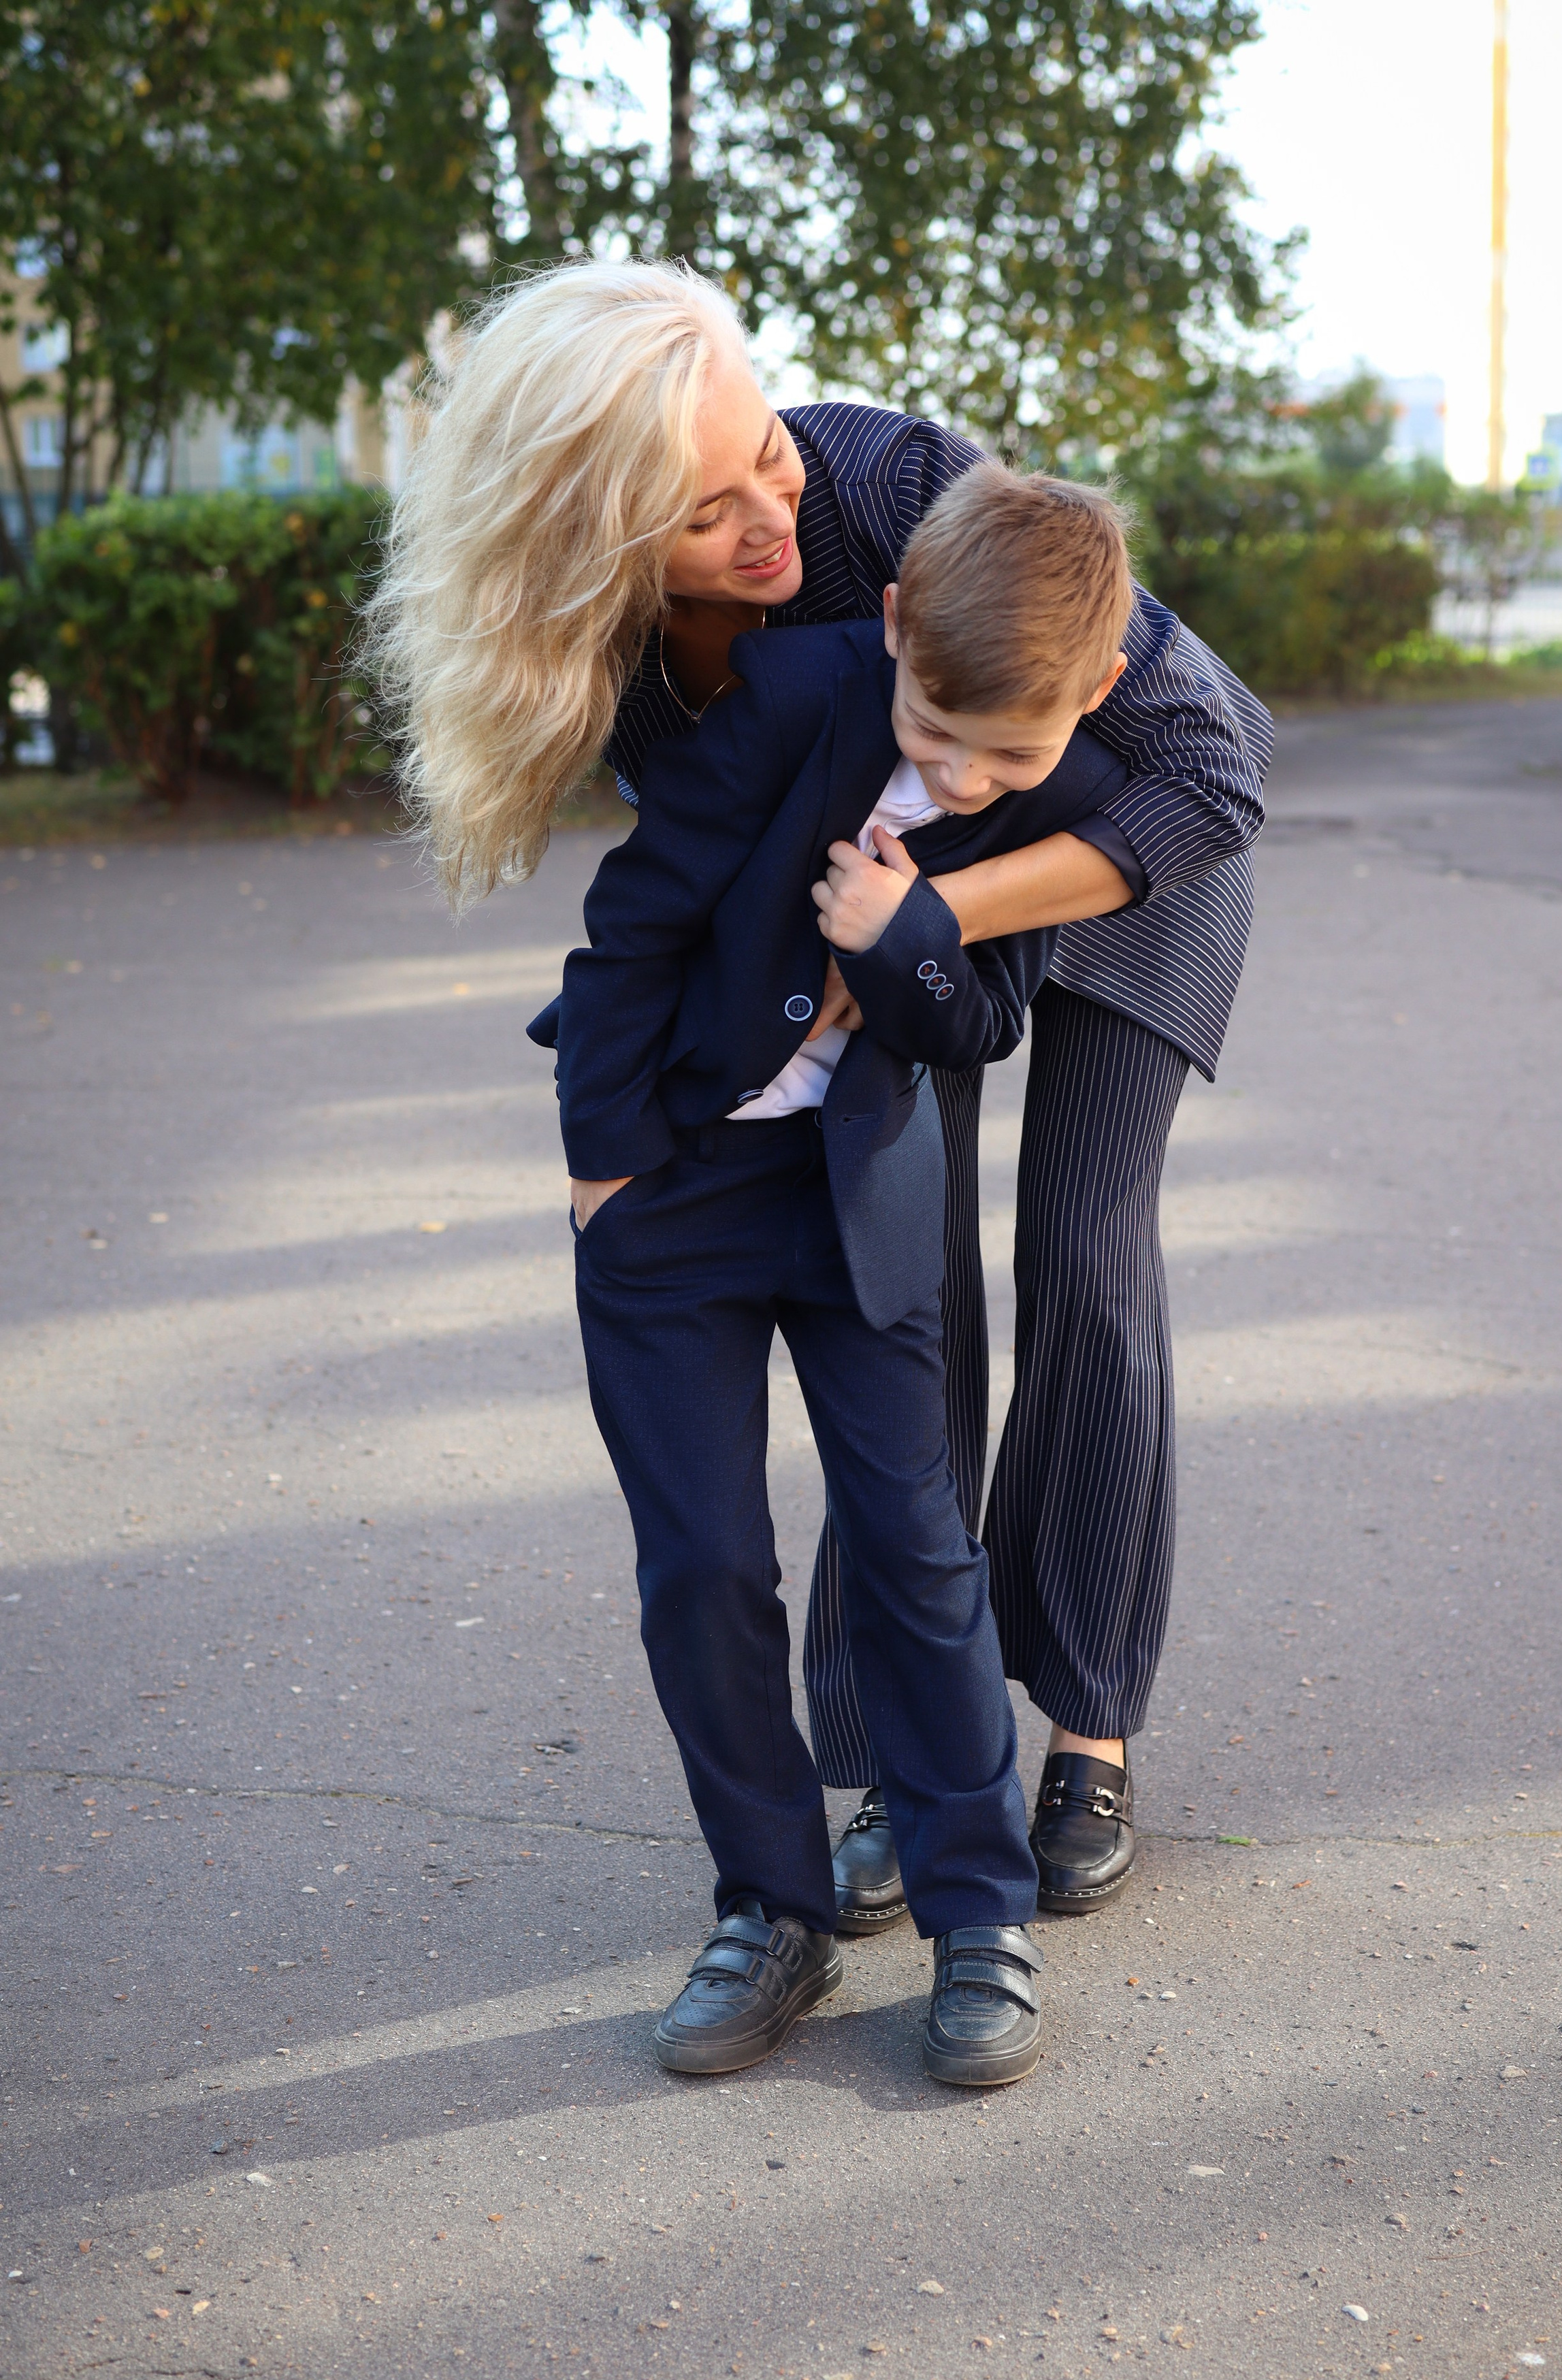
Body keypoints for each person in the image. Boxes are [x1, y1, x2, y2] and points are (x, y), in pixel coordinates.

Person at [370, 259, 1271, 1931]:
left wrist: (933, 915)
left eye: (764, 457)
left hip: (1122, 854)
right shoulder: (621, 654)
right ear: (593, 534)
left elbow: (1215, 770)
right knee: (898, 1274)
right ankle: (897, 1767)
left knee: (1081, 1257)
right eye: (705, 509)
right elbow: (703, 881)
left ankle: (1085, 1731)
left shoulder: (892, 483)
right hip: (881, 908)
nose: (771, 514)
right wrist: (628, 1138)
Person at [524, 464, 1138, 2083]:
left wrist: (905, 927)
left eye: (1003, 757)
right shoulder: (792, 694)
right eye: (932, 730)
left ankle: (977, 1916)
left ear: (1093, 695)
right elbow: (631, 925)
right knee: (703, 1570)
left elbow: (982, 1020)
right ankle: (770, 1910)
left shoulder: (1062, 794)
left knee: (917, 1557)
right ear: (891, 626)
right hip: (672, 1190)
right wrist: (601, 1168)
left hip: (857, 1204)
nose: (957, 773)